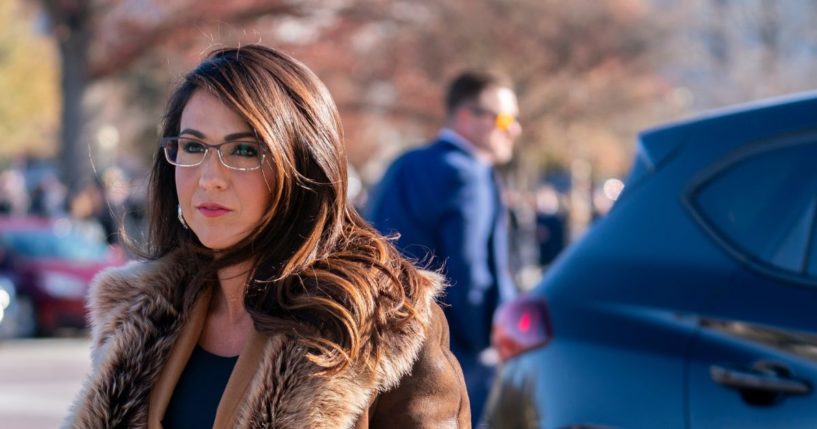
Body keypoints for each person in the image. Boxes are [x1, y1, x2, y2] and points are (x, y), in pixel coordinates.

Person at [64, 45, 470, 428]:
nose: (209, 178)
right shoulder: (141, 315)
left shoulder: (380, 322)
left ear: (303, 166)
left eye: (243, 150)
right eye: (192, 146)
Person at [367, 70, 522, 426]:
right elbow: (472, 274)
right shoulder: (471, 174)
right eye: (505, 119)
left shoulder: (404, 164)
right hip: (453, 352)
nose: (514, 129)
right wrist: (486, 344)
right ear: (467, 117)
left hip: (385, 341)